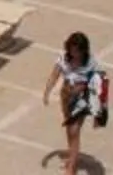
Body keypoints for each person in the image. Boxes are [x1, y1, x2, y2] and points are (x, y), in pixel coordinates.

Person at [45, 30, 107, 173]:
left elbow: (98, 85)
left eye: (77, 51)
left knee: (74, 130)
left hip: (81, 98)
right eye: (72, 50)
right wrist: (47, 91)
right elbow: (54, 75)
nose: (75, 54)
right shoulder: (63, 58)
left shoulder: (90, 62)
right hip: (66, 95)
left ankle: (71, 167)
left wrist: (98, 113)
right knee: (69, 129)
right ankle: (72, 155)